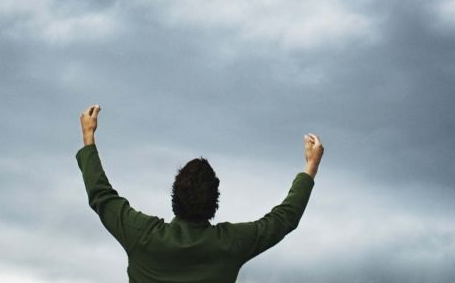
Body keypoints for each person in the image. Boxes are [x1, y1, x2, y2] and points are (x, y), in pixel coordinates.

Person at [75, 104, 324, 283]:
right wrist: (310, 167)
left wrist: (88, 137)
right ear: (214, 202)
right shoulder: (230, 243)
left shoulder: (143, 236)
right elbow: (283, 219)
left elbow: (101, 195)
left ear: (175, 195)